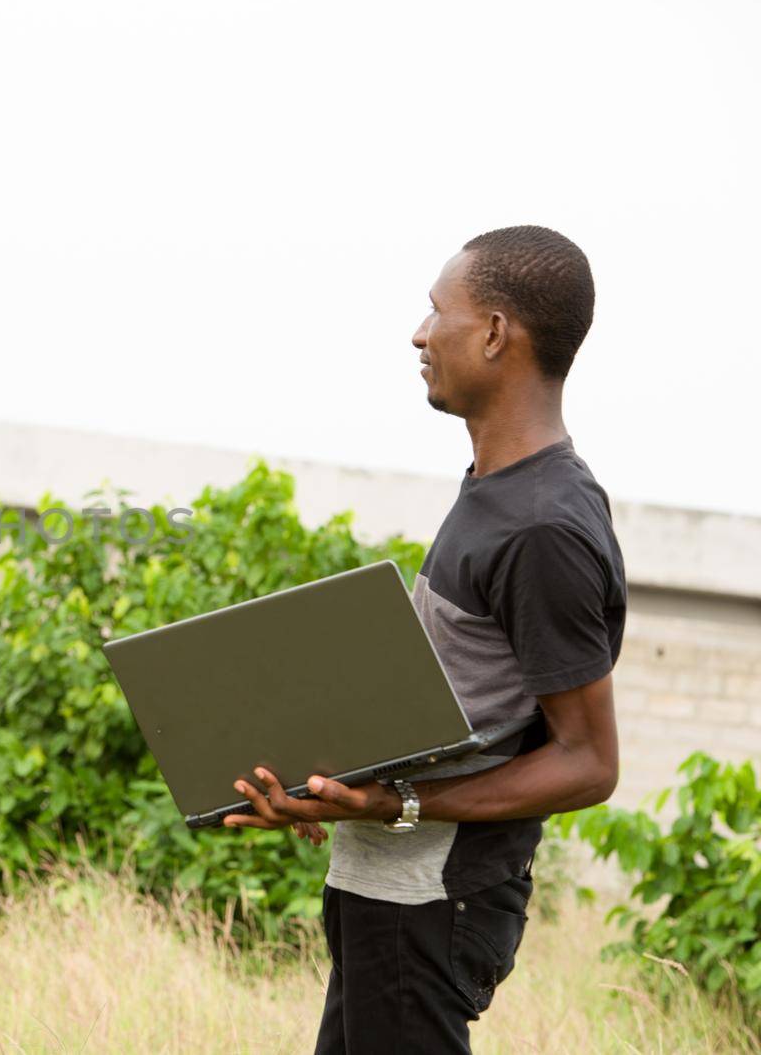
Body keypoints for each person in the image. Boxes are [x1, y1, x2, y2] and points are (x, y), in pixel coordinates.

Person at [221, 226, 626, 1053]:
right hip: (388, 895)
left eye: (436, 311)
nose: (418, 333)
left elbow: (588, 762)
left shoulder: (544, 525)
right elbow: (466, 704)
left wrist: (398, 803)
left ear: (493, 333)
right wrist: (323, 778)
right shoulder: (495, 489)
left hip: (432, 906)